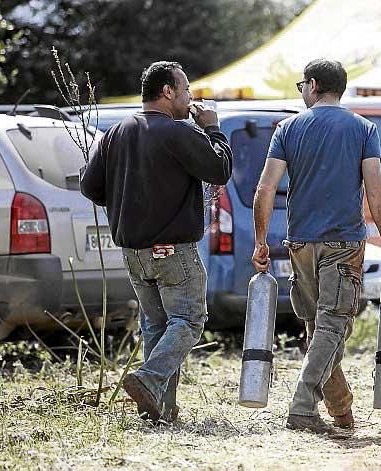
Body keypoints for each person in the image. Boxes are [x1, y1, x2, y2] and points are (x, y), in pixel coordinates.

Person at [251, 59, 381, 435]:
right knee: (332, 328)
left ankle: (341, 410)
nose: (301, 90)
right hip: (343, 244)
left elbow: (265, 188)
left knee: (320, 331)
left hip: (300, 243)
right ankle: (303, 407)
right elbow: (375, 190)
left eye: (301, 84)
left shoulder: (287, 128)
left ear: (314, 85)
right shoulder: (363, 129)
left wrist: (260, 241)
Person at [80, 61, 232, 422]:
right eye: (186, 91)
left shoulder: (116, 132)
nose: (191, 98)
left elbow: (89, 186)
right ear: (168, 92)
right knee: (189, 321)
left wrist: (127, 204)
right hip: (173, 252)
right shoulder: (177, 132)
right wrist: (212, 129)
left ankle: (161, 409)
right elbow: (219, 169)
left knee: (157, 326)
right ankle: (149, 380)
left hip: (134, 253)